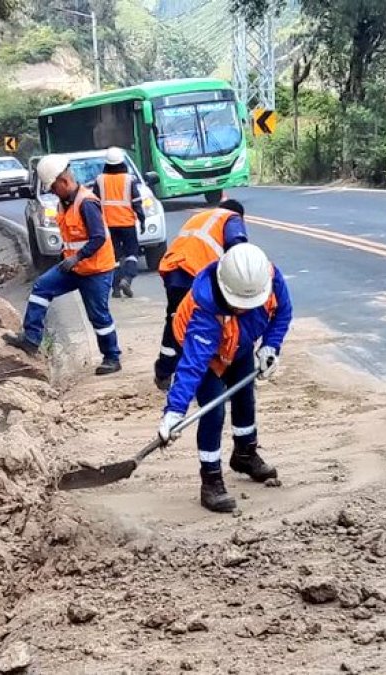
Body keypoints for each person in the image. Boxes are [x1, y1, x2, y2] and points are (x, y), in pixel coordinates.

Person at [156, 243, 292, 513]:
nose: (245, 309)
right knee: (214, 408)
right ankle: (210, 480)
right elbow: (192, 367)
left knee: (244, 396)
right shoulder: (203, 311)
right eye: (239, 306)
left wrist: (270, 347)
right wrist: (174, 411)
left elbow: (283, 312)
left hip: (240, 343)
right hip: (205, 354)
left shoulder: (267, 277)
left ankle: (244, 454)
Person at [2, 155, 122, 376]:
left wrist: (76, 258)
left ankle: (112, 357)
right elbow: (70, 238)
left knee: (98, 315)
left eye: (53, 188)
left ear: (64, 181)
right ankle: (31, 339)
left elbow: (98, 238)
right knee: (41, 288)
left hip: (96, 270)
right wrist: (66, 257)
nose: (52, 192)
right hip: (74, 268)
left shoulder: (87, 203)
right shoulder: (63, 203)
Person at [153, 199, 249, 391]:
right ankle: (214, 377)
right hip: (196, 275)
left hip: (174, 272)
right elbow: (237, 247)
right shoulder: (231, 218)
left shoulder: (200, 217)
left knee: (175, 321)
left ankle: (163, 372)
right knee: (209, 324)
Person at [92, 147, 147, 299]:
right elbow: (137, 202)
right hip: (127, 223)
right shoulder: (129, 180)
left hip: (108, 225)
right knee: (132, 254)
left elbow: (94, 203)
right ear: (122, 162)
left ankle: (115, 288)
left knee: (114, 257)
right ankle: (127, 279)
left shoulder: (99, 180)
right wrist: (142, 220)